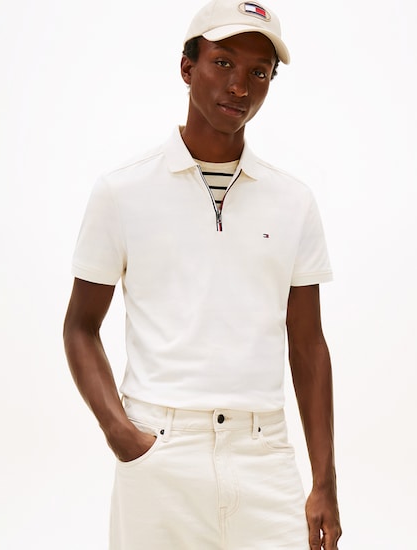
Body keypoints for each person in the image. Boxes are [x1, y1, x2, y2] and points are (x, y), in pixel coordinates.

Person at [63, 1, 342, 548]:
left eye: (259, 72)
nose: (239, 86)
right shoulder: (122, 191)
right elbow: (80, 326)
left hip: (264, 455)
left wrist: (324, 481)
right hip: (159, 450)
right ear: (187, 67)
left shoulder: (293, 201)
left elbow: (308, 345)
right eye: (223, 62)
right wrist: (121, 434)